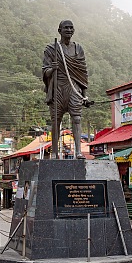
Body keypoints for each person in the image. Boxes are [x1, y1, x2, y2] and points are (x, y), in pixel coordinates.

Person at [42, 20, 93, 159]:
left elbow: (82, 74)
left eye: (71, 28)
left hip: (74, 88)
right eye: (66, 28)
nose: (69, 30)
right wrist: (52, 68)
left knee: (76, 118)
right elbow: (45, 71)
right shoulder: (51, 49)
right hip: (57, 87)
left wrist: (84, 96)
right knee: (55, 121)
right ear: (59, 30)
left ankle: (78, 152)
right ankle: (54, 152)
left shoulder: (78, 49)